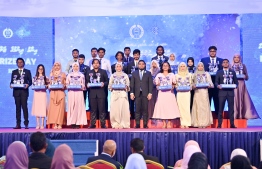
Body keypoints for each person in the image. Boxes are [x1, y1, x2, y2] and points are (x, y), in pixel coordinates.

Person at [152, 62, 180, 128]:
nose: (165, 67)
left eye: (166, 65)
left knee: (169, 107)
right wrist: (157, 86)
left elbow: (174, 83)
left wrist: (173, 85)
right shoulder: (159, 75)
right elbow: (156, 83)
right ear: (162, 67)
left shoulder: (172, 74)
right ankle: (164, 123)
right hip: (162, 93)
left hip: (169, 93)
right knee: (163, 108)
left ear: (169, 67)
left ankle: (169, 123)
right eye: (164, 65)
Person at [231, 54, 259, 119]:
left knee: (241, 99)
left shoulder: (243, 66)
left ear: (240, 58)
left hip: (241, 84)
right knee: (234, 100)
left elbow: (247, 77)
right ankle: (234, 116)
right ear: (233, 58)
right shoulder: (231, 66)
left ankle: (240, 115)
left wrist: (243, 76)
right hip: (233, 85)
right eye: (235, 57)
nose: (236, 59)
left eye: (238, 57)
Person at [10, 57, 32, 129]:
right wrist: (11, 85)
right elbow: (12, 81)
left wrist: (27, 85)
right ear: (16, 64)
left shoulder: (27, 71)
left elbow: (30, 82)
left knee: (25, 108)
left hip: (24, 92)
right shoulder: (14, 72)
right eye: (18, 62)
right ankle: (18, 124)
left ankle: (26, 124)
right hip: (16, 92)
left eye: (21, 62)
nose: (20, 63)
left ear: (23, 63)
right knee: (18, 108)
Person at [215, 59, 238, 128]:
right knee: (220, 109)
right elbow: (216, 82)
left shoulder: (233, 72)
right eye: (224, 62)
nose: (225, 64)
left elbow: (236, 82)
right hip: (222, 92)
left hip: (230, 92)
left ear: (228, 64)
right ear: (222, 64)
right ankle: (219, 124)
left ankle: (232, 124)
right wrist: (218, 86)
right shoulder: (219, 72)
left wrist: (236, 86)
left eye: (226, 62)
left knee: (231, 109)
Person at [200, 46, 223, 114]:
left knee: (217, 100)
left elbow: (222, 72)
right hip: (207, 83)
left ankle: (218, 118)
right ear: (209, 52)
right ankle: (208, 117)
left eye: (214, 51)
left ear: (216, 52)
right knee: (207, 100)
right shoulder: (204, 60)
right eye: (211, 51)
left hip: (217, 83)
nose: (212, 53)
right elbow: (202, 71)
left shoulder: (221, 60)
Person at [130, 60, 153, 128]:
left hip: (145, 94)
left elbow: (150, 84)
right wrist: (132, 93)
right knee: (137, 110)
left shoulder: (148, 73)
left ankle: (145, 124)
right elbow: (132, 84)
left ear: (145, 65)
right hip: (137, 94)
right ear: (138, 65)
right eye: (140, 64)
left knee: (145, 110)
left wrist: (150, 93)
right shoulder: (134, 73)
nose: (141, 65)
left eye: (143, 64)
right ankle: (137, 124)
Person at [86, 59, 109, 128]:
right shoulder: (88, 72)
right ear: (92, 64)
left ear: (99, 64)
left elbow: (107, 82)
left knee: (102, 109)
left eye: (97, 63)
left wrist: (103, 84)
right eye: (94, 63)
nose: (96, 64)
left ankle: (103, 124)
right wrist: (87, 84)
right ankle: (93, 124)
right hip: (92, 93)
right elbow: (86, 81)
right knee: (93, 109)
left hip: (101, 93)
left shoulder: (103, 72)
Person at [191, 62, 213, 128]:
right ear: (197, 67)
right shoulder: (194, 74)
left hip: (204, 92)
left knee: (204, 107)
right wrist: (193, 86)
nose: (200, 67)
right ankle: (198, 123)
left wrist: (208, 85)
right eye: (199, 66)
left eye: (201, 66)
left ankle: (205, 123)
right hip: (197, 92)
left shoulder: (206, 74)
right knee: (197, 107)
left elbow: (211, 84)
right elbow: (191, 84)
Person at [108, 63, 130, 129]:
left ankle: (124, 124)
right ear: (115, 68)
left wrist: (125, 87)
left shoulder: (125, 75)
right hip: (115, 94)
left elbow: (128, 85)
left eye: (120, 66)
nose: (118, 67)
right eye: (117, 66)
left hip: (123, 94)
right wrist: (112, 87)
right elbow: (109, 85)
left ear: (122, 67)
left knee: (123, 109)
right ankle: (115, 124)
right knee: (115, 110)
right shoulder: (112, 75)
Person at [66, 62, 87, 129]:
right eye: (74, 66)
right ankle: (72, 122)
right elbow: (67, 84)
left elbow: (83, 85)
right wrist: (69, 86)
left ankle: (78, 122)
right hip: (71, 92)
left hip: (79, 92)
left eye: (77, 66)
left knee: (78, 107)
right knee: (72, 106)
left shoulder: (81, 75)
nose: (75, 67)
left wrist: (80, 86)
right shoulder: (69, 75)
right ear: (72, 67)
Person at [47, 62, 66, 129]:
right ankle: (55, 123)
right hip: (53, 93)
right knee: (53, 110)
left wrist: (63, 86)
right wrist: (49, 86)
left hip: (60, 93)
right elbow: (49, 84)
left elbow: (66, 84)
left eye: (58, 65)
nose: (57, 66)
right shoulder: (51, 74)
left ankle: (60, 123)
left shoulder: (63, 74)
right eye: (55, 65)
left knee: (60, 110)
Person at [175, 62, 192, 128]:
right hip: (180, 93)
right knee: (180, 108)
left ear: (186, 67)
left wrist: (191, 87)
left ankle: (187, 123)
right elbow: (175, 84)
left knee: (187, 108)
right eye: (181, 66)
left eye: (184, 66)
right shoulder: (176, 75)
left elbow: (191, 83)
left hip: (187, 93)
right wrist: (176, 87)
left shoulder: (189, 75)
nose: (182, 68)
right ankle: (182, 123)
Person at [31, 64, 48, 129]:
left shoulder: (45, 77)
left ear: (43, 70)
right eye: (39, 69)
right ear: (37, 70)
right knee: (37, 108)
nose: (40, 70)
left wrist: (46, 86)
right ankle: (37, 124)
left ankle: (42, 124)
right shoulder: (34, 78)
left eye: (41, 69)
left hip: (43, 93)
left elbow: (47, 86)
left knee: (43, 108)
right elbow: (33, 86)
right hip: (37, 94)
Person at [127, 49, 141, 118]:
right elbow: (127, 74)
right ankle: (132, 115)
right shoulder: (129, 64)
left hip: (139, 85)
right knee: (131, 100)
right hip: (131, 84)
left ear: (139, 55)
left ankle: (139, 115)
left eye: (137, 55)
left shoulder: (141, 64)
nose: (136, 56)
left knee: (139, 100)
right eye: (135, 55)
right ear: (133, 55)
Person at [98, 47, 111, 113]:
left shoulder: (107, 61)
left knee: (104, 97)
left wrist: (108, 82)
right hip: (95, 82)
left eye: (102, 52)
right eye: (99, 52)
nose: (101, 53)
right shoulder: (95, 61)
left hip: (104, 81)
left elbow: (110, 72)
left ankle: (105, 113)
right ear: (97, 53)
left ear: (104, 53)